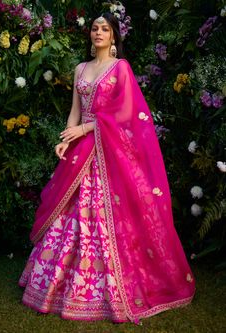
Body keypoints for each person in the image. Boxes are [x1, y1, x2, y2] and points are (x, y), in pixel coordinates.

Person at [19, 12, 195, 324]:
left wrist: (85, 130)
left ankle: (108, 287)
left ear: (114, 37)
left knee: (102, 213)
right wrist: (66, 138)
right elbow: (75, 111)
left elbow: (126, 111)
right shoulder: (80, 69)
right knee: (68, 212)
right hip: (80, 151)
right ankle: (57, 284)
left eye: (105, 29)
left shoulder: (120, 68)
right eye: (95, 28)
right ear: (90, 35)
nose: (99, 33)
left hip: (106, 152)